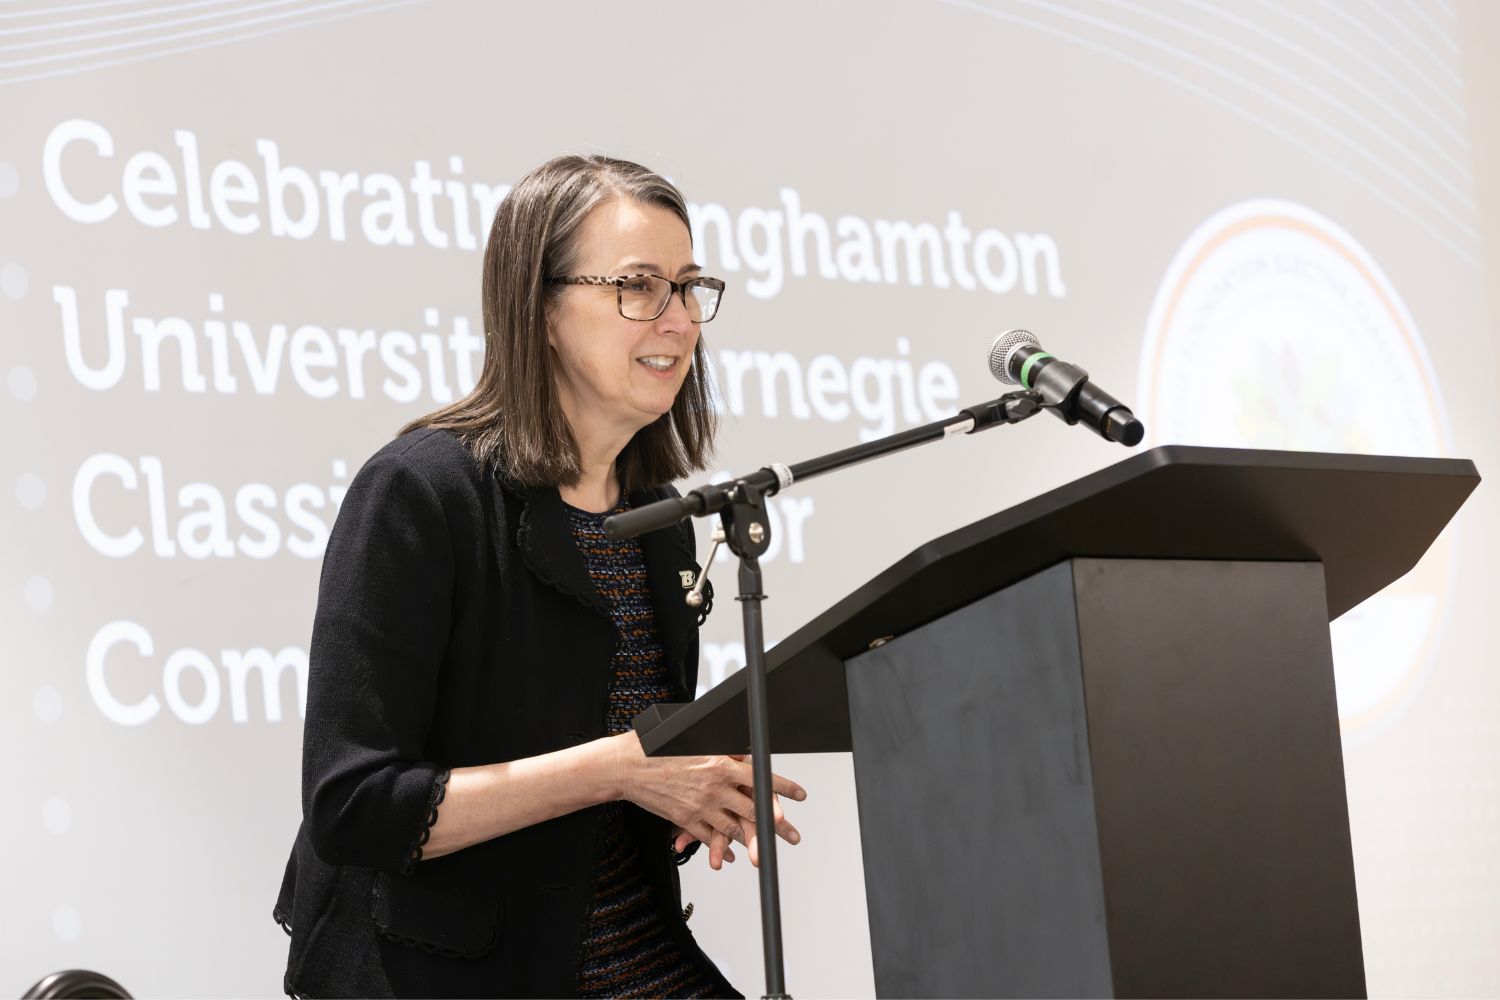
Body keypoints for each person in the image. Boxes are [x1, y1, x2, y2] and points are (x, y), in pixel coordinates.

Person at [272, 154, 807, 999]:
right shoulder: (420, 491)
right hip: (447, 974)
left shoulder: (657, 518)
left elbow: (623, 762)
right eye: (638, 286)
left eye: (689, 286)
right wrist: (624, 767)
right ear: (543, 308)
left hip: (634, 956)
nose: (677, 321)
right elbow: (353, 806)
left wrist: (688, 785)